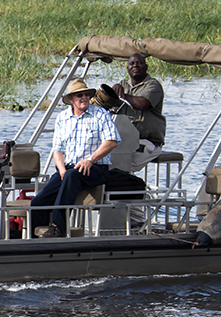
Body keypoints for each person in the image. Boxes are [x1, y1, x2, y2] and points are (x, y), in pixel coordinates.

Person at [30, 79, 121, 238]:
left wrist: (90, 160)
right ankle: (34, 237)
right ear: (71, 99)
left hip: (96, 167)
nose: (84, 98)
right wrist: (62, 169)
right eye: (80, 95)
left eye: (87, 94)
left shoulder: (100, 114)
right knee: (38, 202)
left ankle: (59, 228)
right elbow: (57, 150)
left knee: (72, 175)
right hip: (70, 168)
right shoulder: (62, 118)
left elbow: (112, 141)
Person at [97, 52, 166, 171]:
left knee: (119, 164)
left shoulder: (153, 85)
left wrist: (121, 95)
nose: (135, 66)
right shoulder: (123, 84)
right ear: (127, 68)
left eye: (139, 63)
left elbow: (143, 104)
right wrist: (110, 95)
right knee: (101, 158)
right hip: (124, 140)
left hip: (147, 142)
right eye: (132, 63)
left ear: (146, 67)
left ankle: (125, 185)